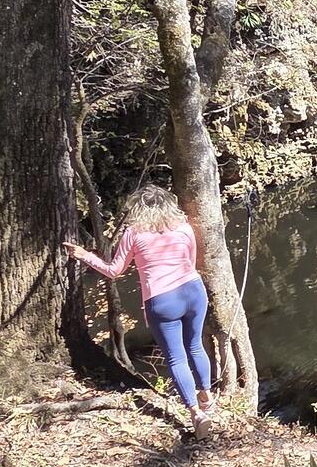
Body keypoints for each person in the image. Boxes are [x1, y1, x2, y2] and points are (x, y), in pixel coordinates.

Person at [64, 184, 217, 436]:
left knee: (176, 358)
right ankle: (207, 397)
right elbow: (190, 262)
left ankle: (196, 415)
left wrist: (84, 255)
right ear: (168, 203)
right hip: (193, 291)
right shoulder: (184, 227)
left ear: (137, 208)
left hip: (162, 300)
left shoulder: (134, 233)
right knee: (195, 346)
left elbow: (114, 271)